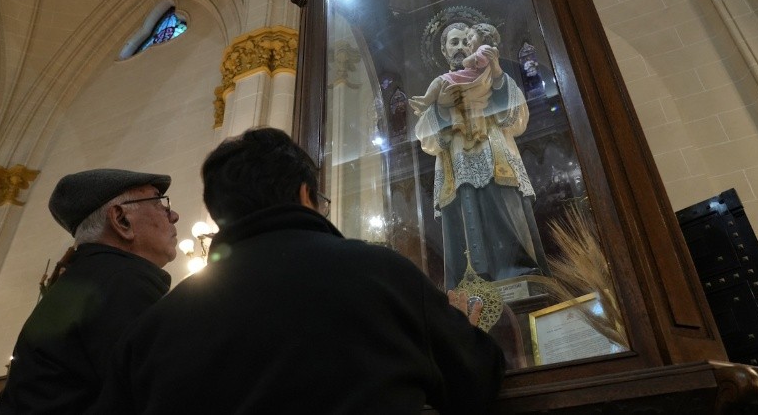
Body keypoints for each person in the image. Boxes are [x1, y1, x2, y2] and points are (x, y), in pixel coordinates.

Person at [91, 127, 505, 414]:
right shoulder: (383, 276)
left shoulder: (154, 328)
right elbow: (476, 388)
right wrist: (466, 333)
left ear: (220, 212)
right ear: (306, 194)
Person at [0, 169, 179, 414]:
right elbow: (162, 393)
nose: (174, 215)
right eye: (159, 202)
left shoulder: (88, 279)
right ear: (121, 219)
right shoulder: (121, 282)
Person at [411, 21, 547, 290]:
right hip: (456, 163)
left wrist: (496, 77)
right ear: (445, 51)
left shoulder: (494, 78)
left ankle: (515, 272)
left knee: (501, 208)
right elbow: (425, 137)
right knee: (464, 215)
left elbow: (516, 119)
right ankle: (470, 283)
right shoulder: (440, 87)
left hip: (494, 153)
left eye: (465, 40)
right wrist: (444, 110)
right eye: (454, 42)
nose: (461, 47)